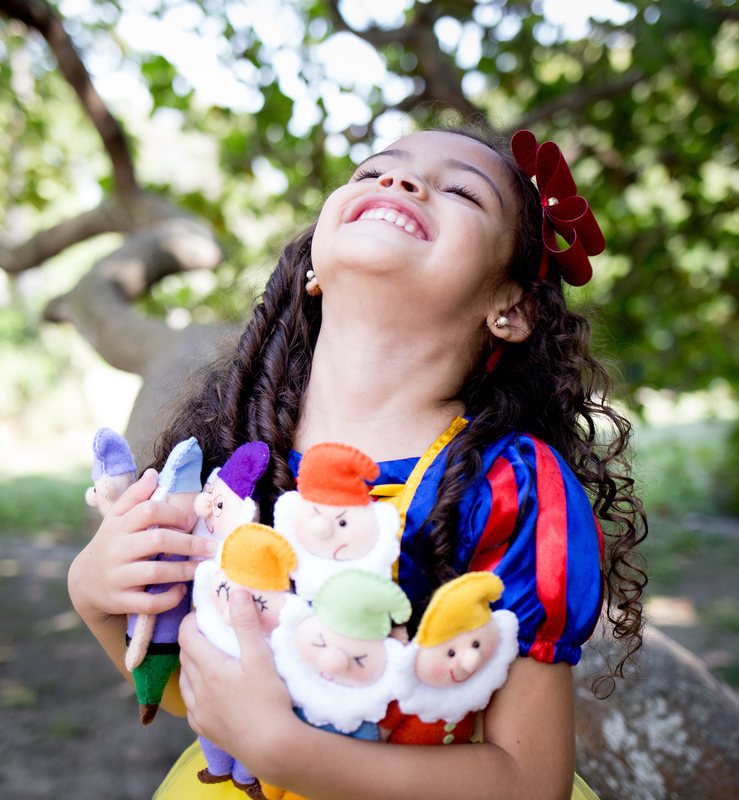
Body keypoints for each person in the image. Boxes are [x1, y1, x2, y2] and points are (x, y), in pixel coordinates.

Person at [68, 125, 647, 800]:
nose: (399, 183)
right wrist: (94, 595)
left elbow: (529, 780)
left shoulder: (515, 489)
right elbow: (201, 695)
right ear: (313, 265)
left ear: (510, 308)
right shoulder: (240, 459)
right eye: (374, 172)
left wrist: (287, 751)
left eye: (461, 190)